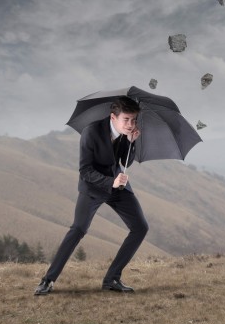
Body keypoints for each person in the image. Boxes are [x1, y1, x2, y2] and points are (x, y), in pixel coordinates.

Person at [34, 96, 149, 295]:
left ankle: (112, 278)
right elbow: (85, 170)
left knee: (140, 227)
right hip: (93, 188)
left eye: (134, 120)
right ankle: (48, 280)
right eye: (126, 120)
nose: (131, 125)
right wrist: (108, 182)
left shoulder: (126, 133)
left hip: (118, 187)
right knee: (78, 229)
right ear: (113, 117)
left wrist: (131, 143)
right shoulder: (91, 132)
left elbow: (124, 161)